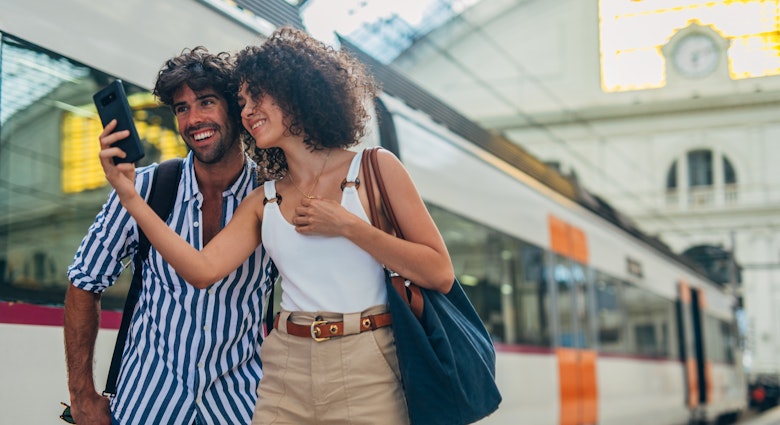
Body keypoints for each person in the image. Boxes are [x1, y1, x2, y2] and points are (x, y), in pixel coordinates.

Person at [99, 27, 455, 425]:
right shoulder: (263, 199)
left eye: (259, 96)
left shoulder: (375, 167)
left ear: (297, 93)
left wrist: (348, 225)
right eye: (242, 101)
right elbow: (201, 270)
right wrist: (129, 196)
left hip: (367, 361)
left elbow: (439, 272)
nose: (247, 111)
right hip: (286, 367)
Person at [64, 47, 276, 425]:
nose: (193, 119)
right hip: (147, 402)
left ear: (235, 108)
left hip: (241, 406)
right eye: (182, 108)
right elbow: (84, 280)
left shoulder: (275, 198)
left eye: (206, 102)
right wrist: (82, 396)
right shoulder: (144, 188)